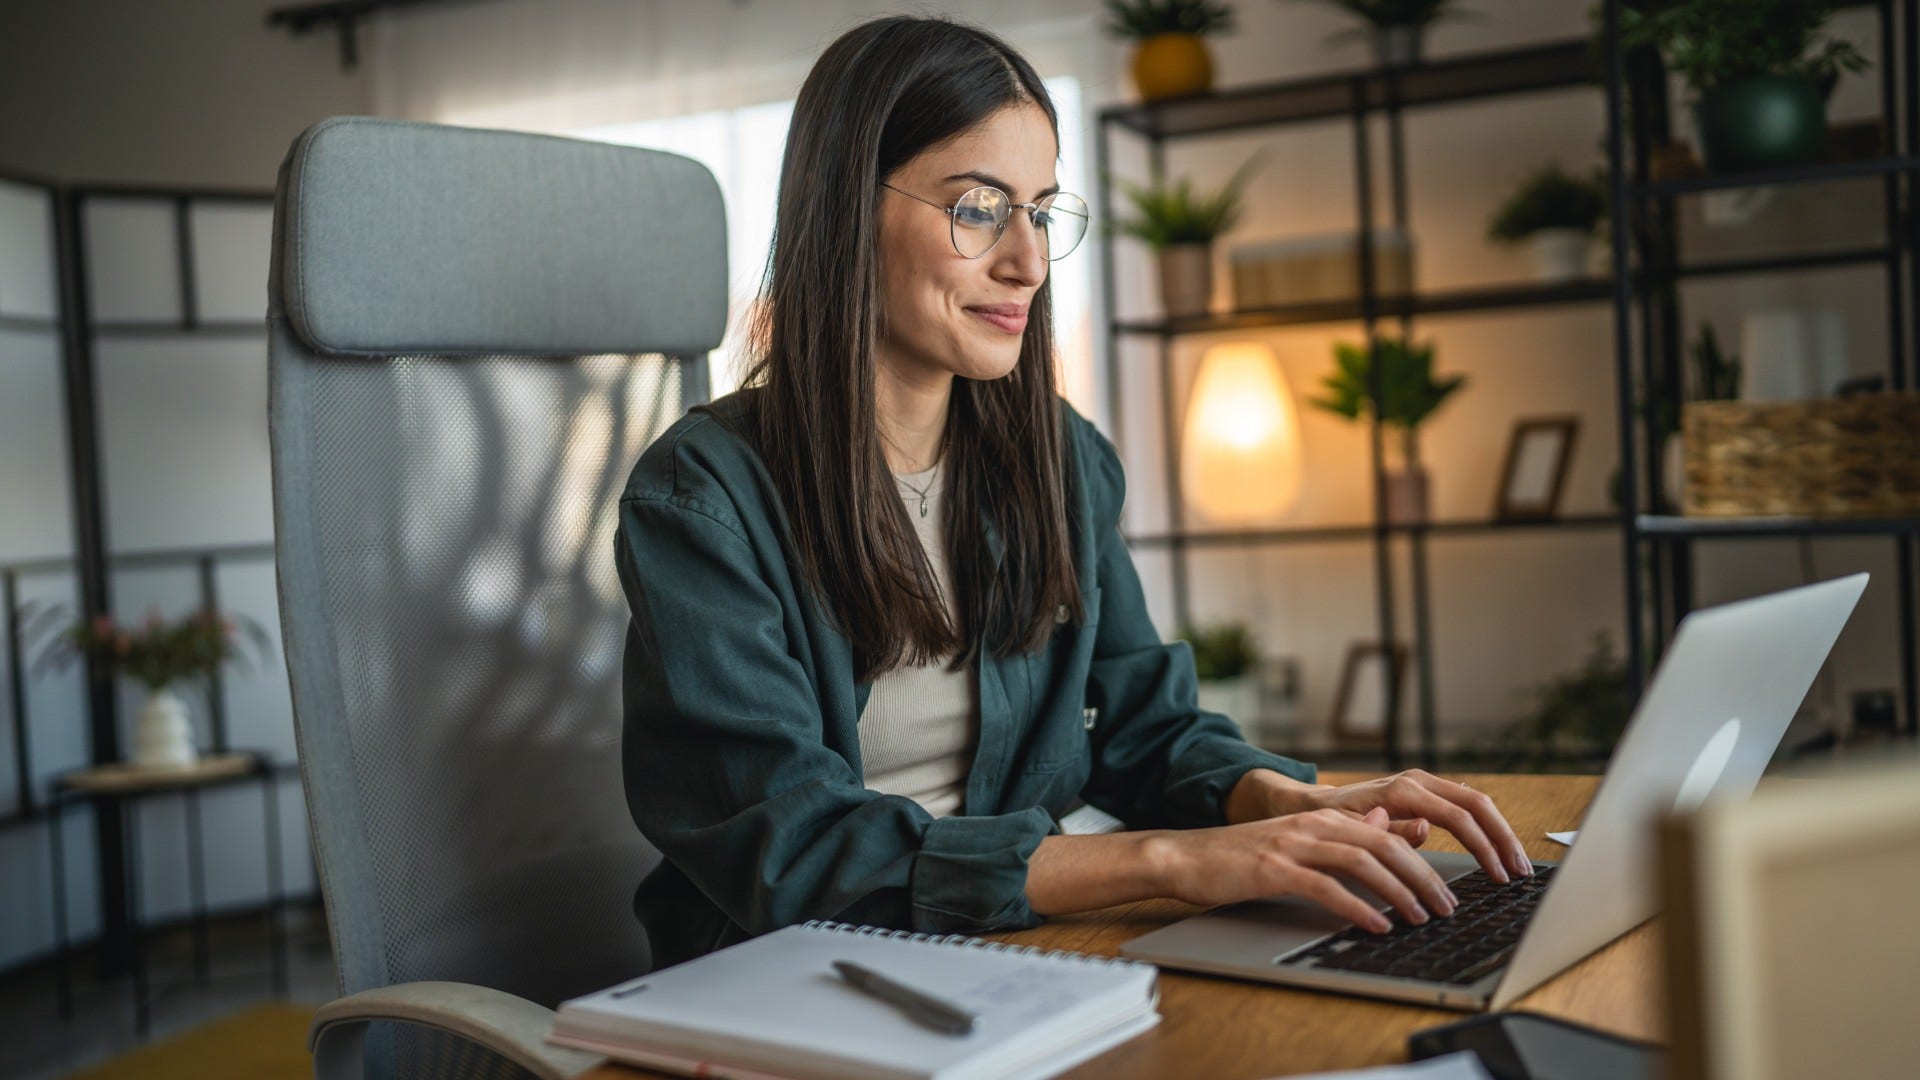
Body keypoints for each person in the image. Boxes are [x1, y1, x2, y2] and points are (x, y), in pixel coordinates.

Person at [614, 14, 1532, 972]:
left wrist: (1289, 805)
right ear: (844, 208)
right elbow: (790, 848)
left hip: (1013, 948)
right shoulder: (703, 495)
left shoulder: (1058, 457)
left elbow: (1144, 725)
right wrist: (1170, 860)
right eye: (978, 208)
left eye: (1041, 211)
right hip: (792, 973)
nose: (1027, 262)